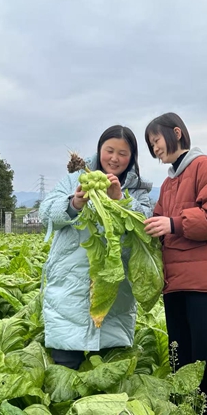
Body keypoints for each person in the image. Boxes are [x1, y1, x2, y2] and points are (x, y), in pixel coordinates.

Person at [143, 113, 207, 415]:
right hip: (178, 284)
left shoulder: (205, 167)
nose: (155, 148)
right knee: (183, 362)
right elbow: (156, 223)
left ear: (177, 133)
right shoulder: (169, 181)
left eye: (156, 140)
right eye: (151, 144)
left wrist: (174, 224)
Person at [39, 125, 153, 370]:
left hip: (116, 290)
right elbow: (46, 213)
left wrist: (120, 200)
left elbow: (146, 224)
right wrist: (75, 203)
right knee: (65, 371)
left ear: (132, 157)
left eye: (123, 153)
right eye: (109, 150)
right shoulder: (73, 180)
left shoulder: (138, 190)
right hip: (70, 286)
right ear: (99, 149)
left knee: (109, 378)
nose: (114, 158)